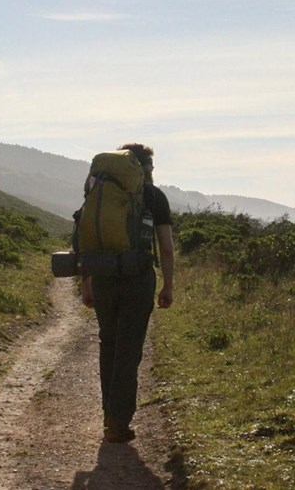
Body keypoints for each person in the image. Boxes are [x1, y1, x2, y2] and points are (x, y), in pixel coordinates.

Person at [79, 142, 175, 443]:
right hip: (138, 279)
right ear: (146, 168)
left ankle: (110, 413)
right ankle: (117, 422)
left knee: (108, 344)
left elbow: (89, 236)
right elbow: (167, 248)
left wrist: (87, 281)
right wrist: (168, 284)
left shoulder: (101, 192)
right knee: (128, 351)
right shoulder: (154, 196)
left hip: (105, 277)